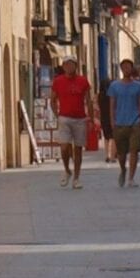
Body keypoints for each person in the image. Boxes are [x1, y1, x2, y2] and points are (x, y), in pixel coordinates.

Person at [49, 57, 94, 188]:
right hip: (64, 117)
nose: (69, 67)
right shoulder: (58, 81)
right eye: (67, 65)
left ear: (76, 66)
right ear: (63, 66)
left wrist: (90, 118)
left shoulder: (83, 81)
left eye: (72, 65)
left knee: (78, 149)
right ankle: (67, 170)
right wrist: (56, 114)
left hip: (80, 118)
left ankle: (76, 177)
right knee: (64, 147)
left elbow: (89, 100)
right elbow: (52, 99)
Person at [105, 58, 140, 188]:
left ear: (132, 69)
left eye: (128, 67)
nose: (126, 69)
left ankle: (131, 177)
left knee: (134, 150)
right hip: (120, 122)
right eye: (124, 67)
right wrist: (112, 121)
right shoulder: (114, 86)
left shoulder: (138, 86)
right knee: (121, 153)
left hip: (135, 122)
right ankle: (123, 169)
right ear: (121, 69)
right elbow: (112, 105)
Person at [97, 71, 116, 162]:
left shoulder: (100, 96)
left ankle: (107, 155)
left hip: (103, 117)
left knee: (106, 137)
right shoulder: (112, 95)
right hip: (112, 117)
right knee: (113, 137)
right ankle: (112, 156)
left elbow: (98, 106)